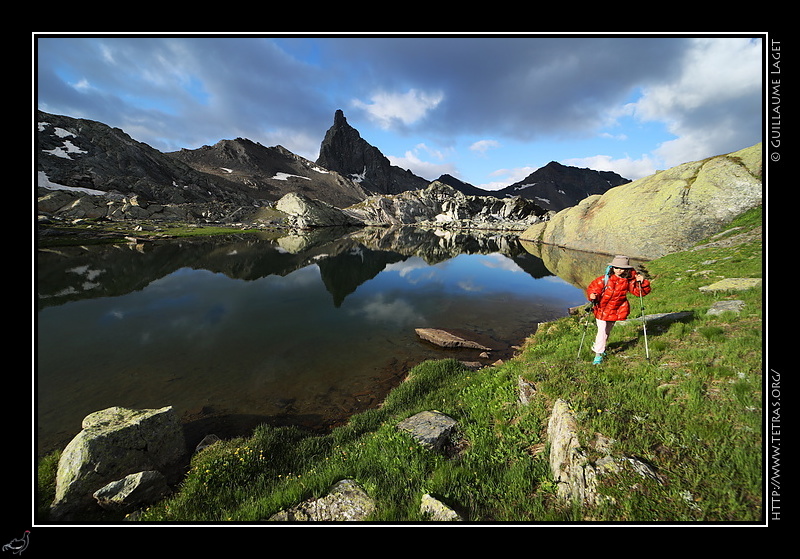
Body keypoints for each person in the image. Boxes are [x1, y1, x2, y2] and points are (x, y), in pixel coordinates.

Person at [586, 255, 651, 364]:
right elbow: (593, 288)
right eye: (616, 268)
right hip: (602, 309)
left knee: (606, 331)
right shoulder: (604, 279)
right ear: (612, 268)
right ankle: (598, 354)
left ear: (627, 269)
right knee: (601, 331)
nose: (619, 270)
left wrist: (642, 283)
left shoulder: (629, 281)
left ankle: (599, 346)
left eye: (622, 268)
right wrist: (592, 295)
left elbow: (639, 293)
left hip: (616, 309)